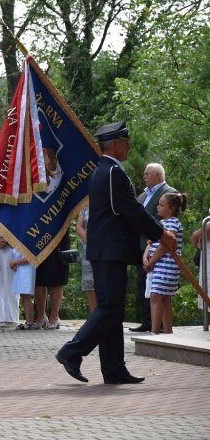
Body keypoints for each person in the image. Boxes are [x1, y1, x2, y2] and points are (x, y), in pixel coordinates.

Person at [56, 121, 176, 385]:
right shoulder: (111, 173)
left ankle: (113, 368)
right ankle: (71, 351)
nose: (129, 146)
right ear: (115, 145)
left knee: (113, 309)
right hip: (109, 250)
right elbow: (130, 209)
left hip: (108, 249)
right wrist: (161, 233)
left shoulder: (107, 171)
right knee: (110, 308)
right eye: (126, 142)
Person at [131, 163, 177, 332]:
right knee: (142, 283)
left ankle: (160, 328)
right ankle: (146, 322)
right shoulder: (142, 196)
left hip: (160, 251)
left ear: (158, 175)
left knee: (159, 292)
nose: (144, 176)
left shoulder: (169, 192)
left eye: (147, 173)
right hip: (143, 247)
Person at [143, 193, 186, 335]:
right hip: (157, 265)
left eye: (161, 205)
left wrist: (152, 262)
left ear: (171, 208)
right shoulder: (161, 224)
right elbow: (151, 242)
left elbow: (164, 246)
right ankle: (168, 331)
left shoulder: (173, 223)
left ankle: (154, 331)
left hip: (167, 265)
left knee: (156, 295)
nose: (158, 207)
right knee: (164, 298)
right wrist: (145, 257)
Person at [33, 231, 70, 330]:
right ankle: (41, 317)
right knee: (38, 280)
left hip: (58, 239)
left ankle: (54, 317)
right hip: (38, 239)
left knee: (56, 281)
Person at [0, 227, 18, 327]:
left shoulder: (17, 211)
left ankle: (11, 318)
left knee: (10, 283)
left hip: (11, 247)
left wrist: (7, 240)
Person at [75, 204, 97, 312]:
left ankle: (104, 315)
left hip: (105, 247)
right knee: (90, 283)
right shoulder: (85, 204)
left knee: (103, 282)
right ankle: (94, 316)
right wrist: (87, 238)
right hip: (87, 248)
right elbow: (79, 226)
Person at [10, 248, 36, 329]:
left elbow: (29, 257)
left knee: (26, 296)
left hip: (26, 270)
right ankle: (28, 320)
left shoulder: (28, 242)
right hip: (20, 269)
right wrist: (14, 264)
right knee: (23, 296)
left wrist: (15, 262)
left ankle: (29, 322)